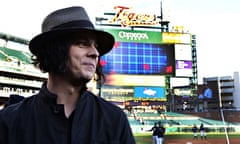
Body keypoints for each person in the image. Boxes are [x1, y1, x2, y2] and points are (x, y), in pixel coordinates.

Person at [0, 6, 136, 144]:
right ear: (54, 50)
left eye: (96, 46)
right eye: (82, 44)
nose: (95, 53)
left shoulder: (114, 119)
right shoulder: (10, 121)